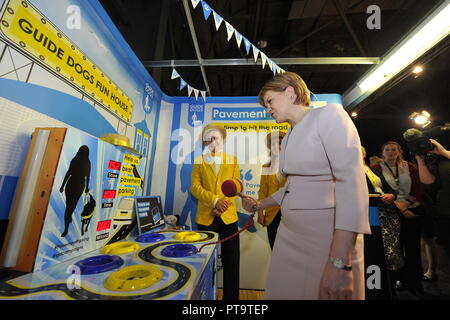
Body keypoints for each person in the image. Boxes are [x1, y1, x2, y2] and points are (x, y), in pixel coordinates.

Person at [242, 71, 370, 300]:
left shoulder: (329, 115)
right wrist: (260, 204)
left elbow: (352, 183)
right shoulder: (290, 134)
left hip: (325, 240)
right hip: (288, 238)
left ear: (290, 92)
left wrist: (340, 261)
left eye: (269, 101)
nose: (267, 109)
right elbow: (292, 188)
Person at [190, 124, 241, 300]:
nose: (213, 141)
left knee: (232, 262)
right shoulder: (199, 160)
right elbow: (195, 188)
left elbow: (236, 185)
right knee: (203, 262)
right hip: (206, 217)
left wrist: (223, 205)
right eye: (209, 138)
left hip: (228, 217)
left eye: (216, 137)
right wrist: (214, 201)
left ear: (222, 139)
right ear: (205, 141)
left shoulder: (233, 160)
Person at [371, 141, 426, 297]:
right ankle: (398, 282)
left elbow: (418, 187)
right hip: (390, 213)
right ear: (382, 152)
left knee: (413, 249)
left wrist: (406, 204)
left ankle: (415, 283)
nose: (390, 152)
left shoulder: (410, 167)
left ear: (399, 151)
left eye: (393, 149)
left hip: (411, 210)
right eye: (387, 149)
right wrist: (399, 208)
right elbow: (379, 190)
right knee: (394, 250)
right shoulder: (376, 169)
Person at [361, 146, 403, 300]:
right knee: (375, 248)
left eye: (359, 152)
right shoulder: (350, 171)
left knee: (392, 250)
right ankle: (378, 288)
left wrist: (392, 195)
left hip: (387, 211)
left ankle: (390, 287)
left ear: (364, 154)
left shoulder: (373, 169)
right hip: (371, 212)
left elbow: (387, 187)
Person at [415, 138, 450, 259]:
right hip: (445, 213)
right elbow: (429, 183)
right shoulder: (439, 162)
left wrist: (443, 151)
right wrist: (421, 162)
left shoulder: (445, 155)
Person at [258, 131, 286, 250]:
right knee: (274, 252)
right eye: (273, 143)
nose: (276, 146)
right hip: (271, 216)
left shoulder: (294, 165)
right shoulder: (266, 167)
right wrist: (260, 212)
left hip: (289, 215)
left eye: (279, 143)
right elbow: (263, 191)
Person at [60, 145, 91, 237]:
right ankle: (68, 218)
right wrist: (86, 188)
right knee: (72, 205)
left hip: (71, 183)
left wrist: (62, 186)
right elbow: (87, 177)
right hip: (80, 185)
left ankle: (66, 227)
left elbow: (68, 173)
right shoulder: (87, 162)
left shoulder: (75, 159)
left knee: (69, 206)